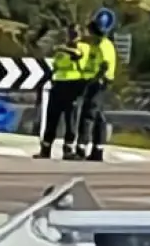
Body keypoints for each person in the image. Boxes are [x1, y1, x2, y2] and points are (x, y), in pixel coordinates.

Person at [38, 24, 88, 159]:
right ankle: (45, 149)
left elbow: (78, 55)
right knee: (52, 118)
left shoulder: (82, 47)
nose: (73, 36)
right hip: (58, 86)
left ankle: (68, 149)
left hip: (74, 86)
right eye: (71, 33)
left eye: (75, 33)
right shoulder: (61, 50)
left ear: (80, 35)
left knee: (70, 120)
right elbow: (55, 66)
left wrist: (62, 48)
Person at [77, 9, 119, 162]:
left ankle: (82, 148)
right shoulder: (97, 44)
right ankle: (97, 150)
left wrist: (96, 79)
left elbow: (105, 66)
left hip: (99, 83)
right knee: (98, 116)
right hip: (96, 81)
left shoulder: (104, 45)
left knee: (88, 115)